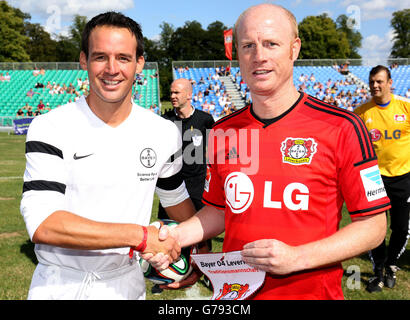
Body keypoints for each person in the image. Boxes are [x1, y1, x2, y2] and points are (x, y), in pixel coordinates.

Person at [144, 4, 389, 300]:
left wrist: (298, 257)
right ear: (237, 55)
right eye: (248, 45)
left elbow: (373, 226)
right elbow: (219, 210)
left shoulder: (343, 127)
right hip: (236, 295)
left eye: (271, 43)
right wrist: (175, 237)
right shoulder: (224, 131)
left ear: (294, 49)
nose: (259, 56)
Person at [20, 11, 196, 300]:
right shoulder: (50, 127)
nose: (112, 69)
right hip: (59, 285)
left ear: (140, 63)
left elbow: (175, 198)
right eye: (100, 57)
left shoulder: (163, 132)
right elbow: (43, 224)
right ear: (83, 60)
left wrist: (197, 250)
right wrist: (140, 237)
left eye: (123, 58)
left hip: (126, 285)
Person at [152, 78, 215, 294]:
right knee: (167, 229)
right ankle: (162, 275)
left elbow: (213, 149)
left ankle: (208, 273)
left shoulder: (205, 120)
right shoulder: (164, 121)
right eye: (171, 92)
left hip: (196, 185)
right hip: (171, 185)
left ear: (189, 95)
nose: (173, 96)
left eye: (177, 92)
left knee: (203, 234)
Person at [354, 65, 410, 293]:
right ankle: (377, 271)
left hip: (403, 177)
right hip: (373, 179)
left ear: (389, 83)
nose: (375, 86)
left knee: (400, 227)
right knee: (374, 228)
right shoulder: (361, 113)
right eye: (372, 82)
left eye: (379, 81)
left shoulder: (405, 107)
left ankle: (390, 265)